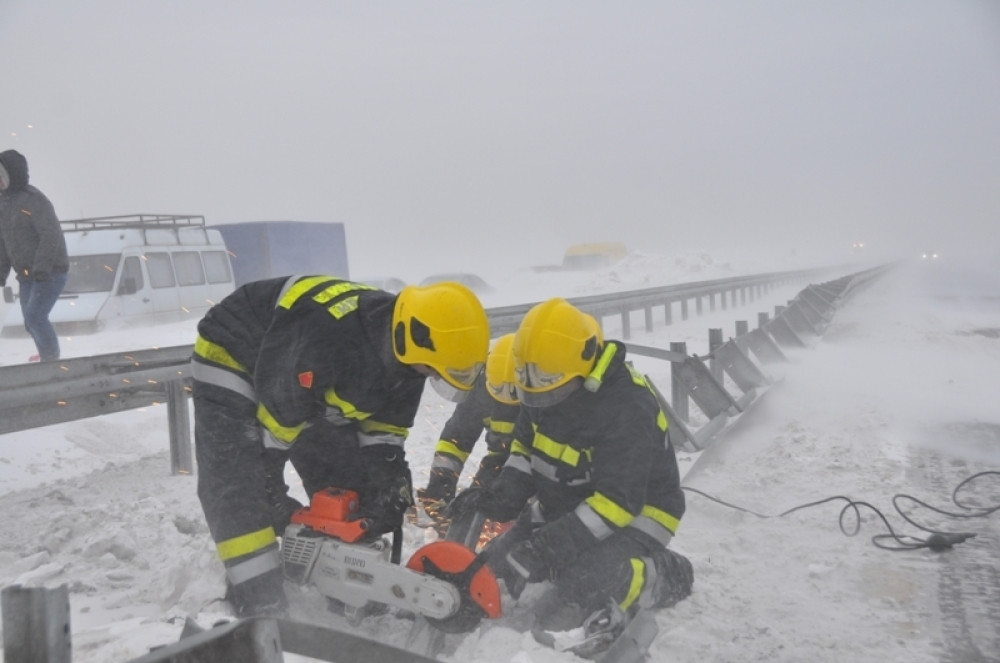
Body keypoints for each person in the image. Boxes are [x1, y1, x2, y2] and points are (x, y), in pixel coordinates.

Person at [190, 275, 490, 617]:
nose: (433, 377)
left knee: (348, 488)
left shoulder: (408, 359)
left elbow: (384, 431)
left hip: (304, 381)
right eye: (434, 370)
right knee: (240, 485)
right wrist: (269, 486)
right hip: (236, 352)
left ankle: (347, 588)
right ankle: (259, 600)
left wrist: (389, 480)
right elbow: (277, 424)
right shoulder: (330, 339)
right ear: (414, 341)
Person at [449, 297, 693, 656]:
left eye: (547, 383)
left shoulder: (628, 406)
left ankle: (667, 573)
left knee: (580, 585)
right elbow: (523, 457)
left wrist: (547, 548)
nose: (536, 396)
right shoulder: (539, 390)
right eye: (527, 382)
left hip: (637, 516)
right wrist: (496, 498)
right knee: (490, 571)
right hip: (565, 505)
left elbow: (616, 503)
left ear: (583, 368)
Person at [417, 333, 520, 511]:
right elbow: (454, 441)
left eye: (512, 392)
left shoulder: (546, 393)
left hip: (542, 468)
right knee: (471, 509)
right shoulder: (481, 389)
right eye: (497, 389)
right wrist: (440, 489)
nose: (503, 396)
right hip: (498, 462)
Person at [0, 149, 69, 362]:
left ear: (12, 175)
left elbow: (50, 234)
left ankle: (51, 359)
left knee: (35, 316)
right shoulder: (4, 204)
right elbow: (4, 243)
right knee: (29, 322)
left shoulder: (34, 200)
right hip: (26, 274)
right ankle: (45, 354)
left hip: (50, 271)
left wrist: (42, 267)